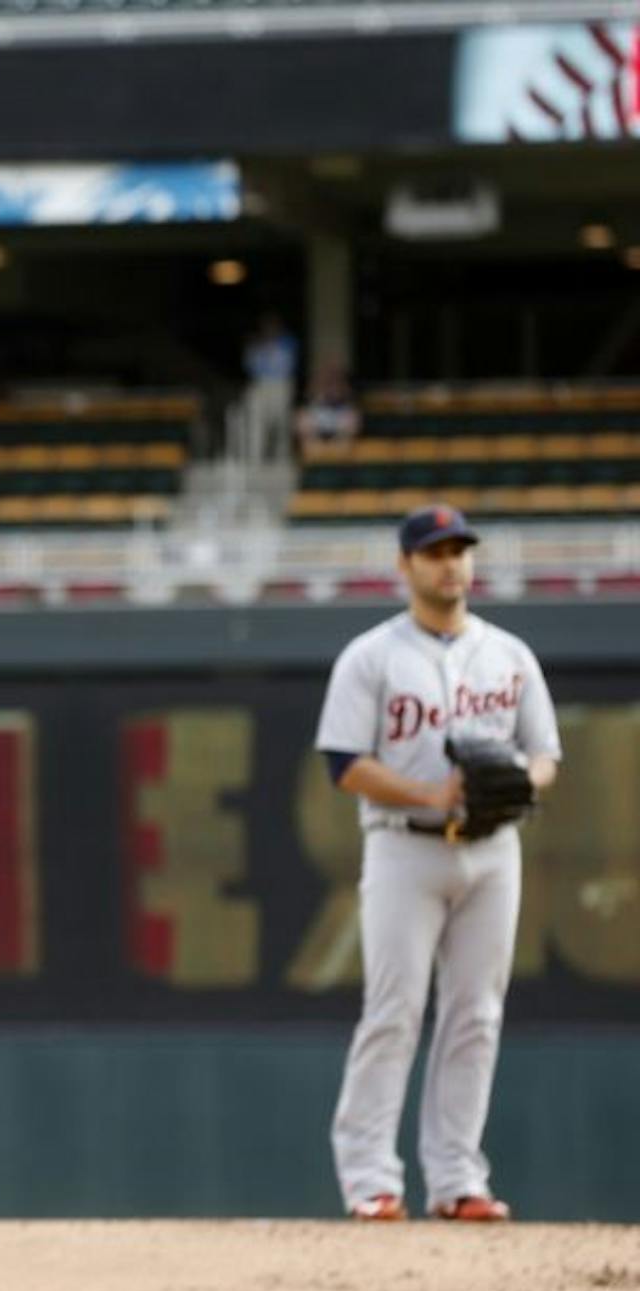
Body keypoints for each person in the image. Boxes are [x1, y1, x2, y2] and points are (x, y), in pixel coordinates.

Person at [313, 504, 560, 1222]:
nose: (451, 562)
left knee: (477, 1014)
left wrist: (518, 782)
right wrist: (431, 791)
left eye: (459, 550)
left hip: (493, 848)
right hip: (403, 846)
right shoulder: (372, 656)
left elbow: (544, 754)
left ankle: (457, 1180)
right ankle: (369, 1181)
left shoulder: (509, 655)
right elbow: (343, 763)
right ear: (406, 566)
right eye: (435, 551)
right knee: (392, 1013)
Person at [241, 312, 300, 464]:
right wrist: (259, 348)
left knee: (281, 423)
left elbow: (288, 365)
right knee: (257, 423)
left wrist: (271, 349)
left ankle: (282, 458)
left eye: (273, 326)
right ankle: (255, 458)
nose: (270, 330)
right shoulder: (256, 343)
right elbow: (250, 366)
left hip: (281, 384)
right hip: (261, 384)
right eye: (267, 327)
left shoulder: (288, 342)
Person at [295, 362, 362, 453]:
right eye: (328, 383)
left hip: (342, 449)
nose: (332, 388)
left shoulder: (349, 410)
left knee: (345, 440)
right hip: (316, 447)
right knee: (305, 425)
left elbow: (352, 430)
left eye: (336, 383)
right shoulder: (309, 409)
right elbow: (303, 431)